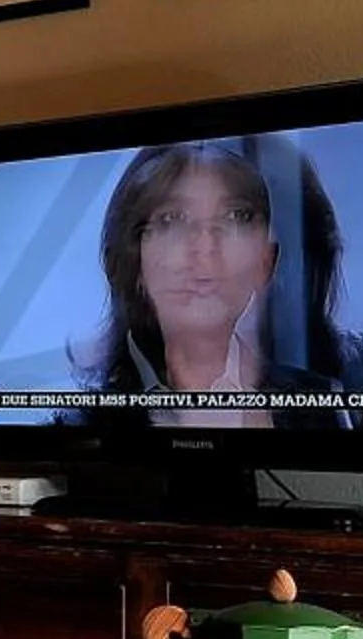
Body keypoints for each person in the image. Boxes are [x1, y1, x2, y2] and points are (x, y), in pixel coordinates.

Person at [66, 140, 339, 429]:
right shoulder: (81, 435)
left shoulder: (328, 410)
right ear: (131, 265)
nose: (205, 247)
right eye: (172, 219)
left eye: (236, 216)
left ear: (267, 260)